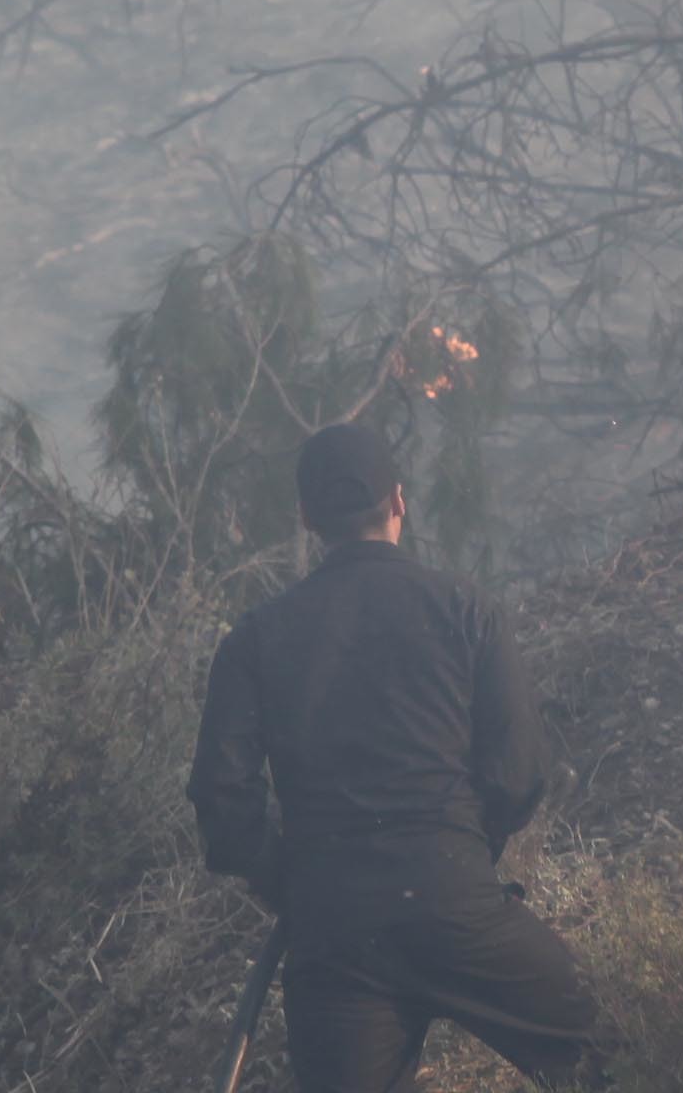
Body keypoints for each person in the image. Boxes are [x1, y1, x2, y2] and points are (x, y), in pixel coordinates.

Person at [187, 424, 603, 1090]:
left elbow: (222, 799)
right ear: (400, 502)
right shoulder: (469, 609)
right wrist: (461, 849)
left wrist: (288, 881)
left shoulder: (254, 640)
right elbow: (520, 773)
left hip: (333, 932)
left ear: (306, 518)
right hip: (457, 901)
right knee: (615, 1052)